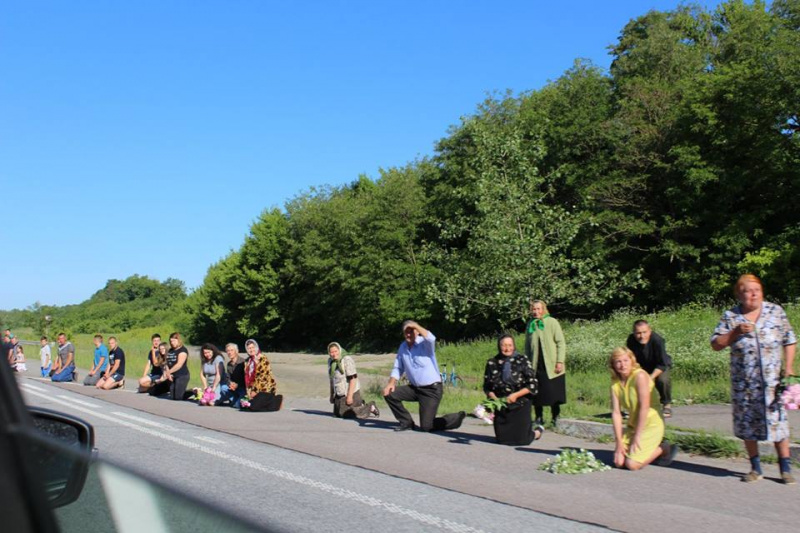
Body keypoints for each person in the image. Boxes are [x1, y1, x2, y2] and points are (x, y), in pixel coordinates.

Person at [711, 274, 797, 484]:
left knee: (778, 424)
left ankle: (785, 468)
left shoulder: (775, 312)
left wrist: (788, 367)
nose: (753, 294)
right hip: (745, 384)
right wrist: (735, 332)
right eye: (747, 291)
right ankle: (755, 468)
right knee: (747, 425)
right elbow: (716, 344)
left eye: (756, 290)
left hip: (772, 383)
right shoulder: (731, 316)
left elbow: (789, 339)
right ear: (739, 295)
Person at [382, 320, 465, 432]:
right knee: (389, 393)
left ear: (417, 332)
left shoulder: (424, 344)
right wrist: (391, 383)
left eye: (411, 331)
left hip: (431, 390)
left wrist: (415, 325)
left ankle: (456, 418)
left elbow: (431, 338)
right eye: (406, 332)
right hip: (414, 388)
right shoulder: (403, 347)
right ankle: (406, 422)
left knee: (427, 426)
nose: (408, 334)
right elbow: (398, 367)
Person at [610, 347, 677, 470]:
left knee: (632, 464)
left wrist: (638, 436)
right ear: (613, 365)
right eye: (618, 362)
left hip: (650, 424)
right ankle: (642, 449)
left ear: (632, 361)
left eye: (625, 360)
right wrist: (618, 442)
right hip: (633, 425)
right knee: (619, 462)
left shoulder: (639, 376)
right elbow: (616, 413)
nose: (623, 365)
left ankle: (664, 448)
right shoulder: (615, 383)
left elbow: (644, 408)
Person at [483, 334, 543, 445]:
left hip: (521, 403)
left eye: (510, 345)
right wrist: (494, 399)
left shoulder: (522, 360)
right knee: (502, 440)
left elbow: (533, 385)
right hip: (502, 405)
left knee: (523, 440)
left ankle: (537, 432)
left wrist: (515, 395)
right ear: (499, 346)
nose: (507, 348)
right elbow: (487, 386)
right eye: (504, 345)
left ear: (514, 346)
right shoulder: (492, 362)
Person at [524, 300, 566, 427]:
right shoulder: (530, 324)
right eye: (534, 309)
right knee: (536, 391)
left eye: (538, 309)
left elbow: (560, 342)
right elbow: (527, 346)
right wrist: (527, 364)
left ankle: (555, 417)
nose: (536, 311)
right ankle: (539, 417)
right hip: (536, 363)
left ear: (543, 309)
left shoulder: (552, 322)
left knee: (553, 390)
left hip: (551, 363)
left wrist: (560, 361)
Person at [626, 320, 673, 417]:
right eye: (638, 333)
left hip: (659, 366)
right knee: (630, 379)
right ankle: (633, 406)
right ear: (634, 333)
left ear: (649, 331)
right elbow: (631, 358)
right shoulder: (631, 340)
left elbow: (662, 363)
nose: (642, 336)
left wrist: (650, 377)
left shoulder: (657, 340)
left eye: (644, 332)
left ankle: (666, 404)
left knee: (662, 380)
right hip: (642, 366)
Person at [328, 341, 379, 419]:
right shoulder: (330, 362)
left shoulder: (347, 360)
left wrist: (350, 396)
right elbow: (332, 380)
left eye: (336, 351)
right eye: (331, 352)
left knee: (348, 414)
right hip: (340, 392)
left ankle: (370, 407)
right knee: (338, 413)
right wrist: (332, 395)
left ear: (339, 350)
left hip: (351, 391)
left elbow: (353, 379)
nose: (334, 354)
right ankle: (360, 404)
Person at [240, 339, 283, 412]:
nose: (251, 350)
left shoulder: (262, 358)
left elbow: (262, 377)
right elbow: (247, 379)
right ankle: (260, 402)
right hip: (252, 390)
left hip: (265, 389)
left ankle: (277, 399)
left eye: (253, 347)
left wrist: (255, 391)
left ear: (256, 347)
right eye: (249, 348)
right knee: (243, 405)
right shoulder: (247, 361)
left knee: (253, 407)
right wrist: (249, 393)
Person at [217, 343, 246, 407]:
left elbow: (246, 378)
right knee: (223, 388)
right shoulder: (229, 364)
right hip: (233, 388)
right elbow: (228, 378)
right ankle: (234, 399)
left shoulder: (243, 362)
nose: (229, 352)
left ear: (237, 351)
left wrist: (237, 385)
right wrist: (230, 383)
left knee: (237, 405)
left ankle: (236, 401)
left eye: (231, 350)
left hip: (242, 388)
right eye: (228, 351)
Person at [164, 332, 191, 400]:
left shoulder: (183, 350)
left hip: (182, 375)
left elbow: (179, 365)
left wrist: (169, 372)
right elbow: (166, 363)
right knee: (172, 396)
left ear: (178, 340)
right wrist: (168, 373)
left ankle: (194, 391)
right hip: (173, 375)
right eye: (171, 341)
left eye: (174, 341)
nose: (172, 343)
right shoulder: (170, 350)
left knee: (178, 397)